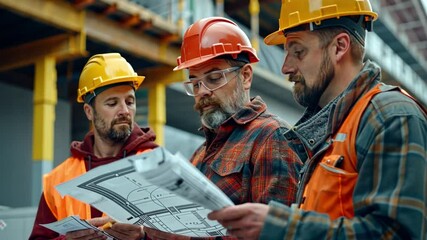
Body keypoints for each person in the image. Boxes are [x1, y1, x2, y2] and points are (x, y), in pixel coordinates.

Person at [207, 0, 427, 239]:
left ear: (339, 47)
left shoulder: (391, 117)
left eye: (298, 51)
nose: (285, 67)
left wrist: (281, 227)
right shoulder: (333, 128)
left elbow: (396, 235)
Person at [144, 17, 301, 239]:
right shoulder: (200, 154)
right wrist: (142, 234)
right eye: (195, 83)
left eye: (214, 77)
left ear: (245, 76)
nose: (203, 91)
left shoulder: (272, 138)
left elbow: (275, 235)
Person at [29, 53, 158, 240]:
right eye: (112, 103)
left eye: (130, 102)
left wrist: (143, 237)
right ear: (89, 112)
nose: (124, 111)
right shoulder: (60, 181)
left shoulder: (157, 166)